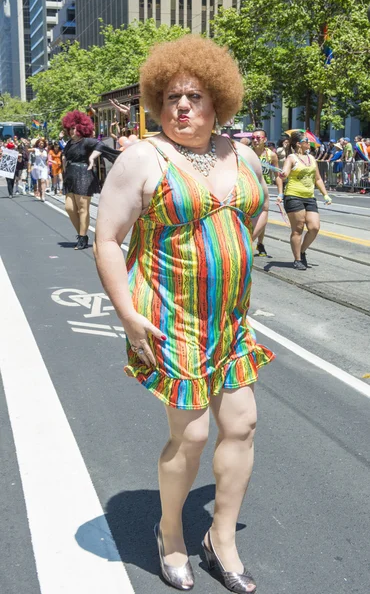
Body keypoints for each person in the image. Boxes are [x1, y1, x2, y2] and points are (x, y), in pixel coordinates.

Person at [94, 34, 274, 593]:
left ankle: (220, 539)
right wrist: (127, 312)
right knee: (193, 435)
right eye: (171, 97)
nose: (182, 107)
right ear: (157, 102)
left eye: (194, 96)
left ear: (219, 99)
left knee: (241, 425)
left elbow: (256, 215)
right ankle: (170, 532)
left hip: (229, 323)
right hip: (172, 319)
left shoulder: (241, 155)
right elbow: (107, 239)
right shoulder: (143, 157)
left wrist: (233, 270)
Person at [61, 110, 120, 250]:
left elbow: (100, 145)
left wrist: (92, 157)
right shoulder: (69, 143)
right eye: (69, 129)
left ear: (81, 128)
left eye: (73, 128)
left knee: (83, 209)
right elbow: (65, 156)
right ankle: (82, 235)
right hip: (70, 175)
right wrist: (64, 167)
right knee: (69, 208)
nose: (71, 131)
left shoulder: (87, 141)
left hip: (84, 174)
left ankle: (82, 237)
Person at [279, 131, 332, 270]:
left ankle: (302, 252)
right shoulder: (291, 158)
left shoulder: (312, 158)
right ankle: (297, 259)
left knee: (314, 227)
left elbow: (318, 179)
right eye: (306, 141)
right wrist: (283, 174)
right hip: (293, 195)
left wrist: (325, 194)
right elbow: (284, 174)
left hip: (309, 197)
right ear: (298, 144)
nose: (309, 143)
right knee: (298, 228)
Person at [250, 128, 283, 256]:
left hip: (263, 189)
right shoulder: (246, 152)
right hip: (248, 188)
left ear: (265, 140)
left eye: (258, 138)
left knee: (261, 217)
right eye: (253, 138)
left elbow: (277, 174)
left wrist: (280, 193)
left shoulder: (271, 155)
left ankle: (260, 243)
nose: (255, 140)